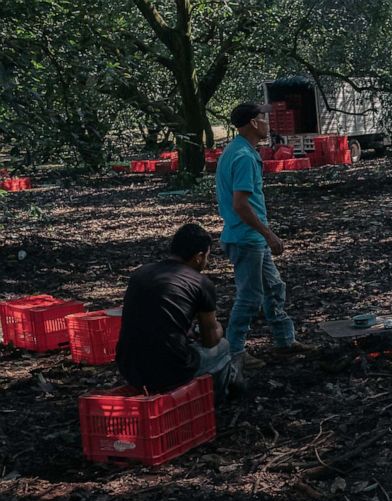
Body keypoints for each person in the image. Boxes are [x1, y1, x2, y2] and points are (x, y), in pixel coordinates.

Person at [216, 102, 308, 371]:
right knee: (250, 297)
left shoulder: (236, 150)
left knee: (274, 287)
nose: (268, 123)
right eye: (263, 118)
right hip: (247, 238)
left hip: (248, 236)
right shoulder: (244, 157)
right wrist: (269, 235)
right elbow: (241, 204)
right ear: (253, 123)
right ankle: (235, 352)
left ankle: (284, 339)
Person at [116, 223, 237, 399]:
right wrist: (218, 328)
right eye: (207, 257)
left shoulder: (141, 273)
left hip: (128, 367)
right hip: (171, 370)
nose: (206, 262)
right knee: (224, 346)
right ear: (199, 256)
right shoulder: (200, 283)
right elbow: (210, 339)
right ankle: (216, 399)